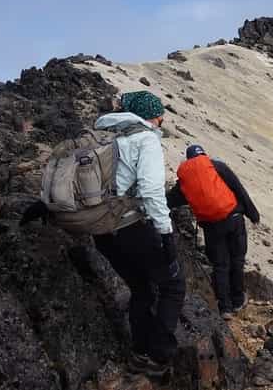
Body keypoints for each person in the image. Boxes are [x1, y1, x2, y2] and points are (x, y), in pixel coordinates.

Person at [25, 90, 185, 378]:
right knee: (172, 285)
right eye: (160, 113)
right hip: (128, 225)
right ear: (149, 115)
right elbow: (150, 191)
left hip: (101, 230)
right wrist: (166, 235)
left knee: (142, 288)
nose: (162, 119)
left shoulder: (101, 133)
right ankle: (158, 357)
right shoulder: (145, 138)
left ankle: (139, 354)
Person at [167, 144, 259, 320]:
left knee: (220, 265)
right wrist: (253, 214)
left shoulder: (186, 179)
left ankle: (225, 308)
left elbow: (171, 200)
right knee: (237, 260)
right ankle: (238, 300)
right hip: (233, 219)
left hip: (212, 226)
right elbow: (238, 189)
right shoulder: (217, 166)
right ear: (204, 155)